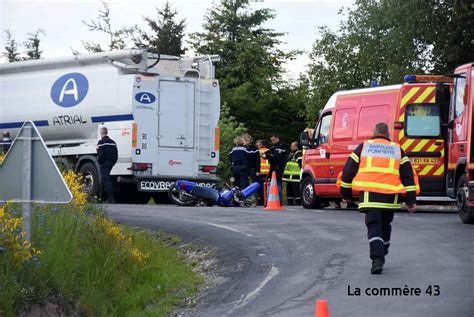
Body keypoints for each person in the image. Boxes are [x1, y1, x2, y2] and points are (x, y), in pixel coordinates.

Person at [339, 122, 418, 274]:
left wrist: (346, 195)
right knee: (385, 225)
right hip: (390, 198)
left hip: (371, 196)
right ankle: (382, 250)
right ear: (388, 134)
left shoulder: (364, 147)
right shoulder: (397, 150)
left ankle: (377, 259)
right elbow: (408, 177)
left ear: (373, 132)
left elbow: (348, 171)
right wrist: (411, 201)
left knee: (374, 225)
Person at [262, 133, 288, 203]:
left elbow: (276, 158)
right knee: (273, 184)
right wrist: (265, 155)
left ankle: (278, 200)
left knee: (278, 184)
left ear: (277, 138)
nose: (272, 142)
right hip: (273, 167)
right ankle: (273, 200)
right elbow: (267, 153)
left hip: (278, 167)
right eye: (271, 140)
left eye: (273, 140)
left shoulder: (281, 146)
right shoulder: (274, 147)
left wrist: (267, 156)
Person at [96, 127, 118, 203]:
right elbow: (116, 153)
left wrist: (100, 163)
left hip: (104, 163)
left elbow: (100, 154)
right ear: (107, 132)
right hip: (111, 162)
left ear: (101, 133)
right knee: (105, 178)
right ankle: (102, 197)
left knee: (106, 179)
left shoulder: (101, 143)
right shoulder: (113, 142)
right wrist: (113, 162)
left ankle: (110, 198)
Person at [283, 141, 303, 205]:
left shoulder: (299, 153)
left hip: (295, 176)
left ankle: (298, 202)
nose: (290, 147)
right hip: (289, 177)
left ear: (296, 146)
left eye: (292, 146)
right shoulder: (292, 153)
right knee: (289, 190)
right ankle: (290, 201)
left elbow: (300, 163)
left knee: (296, 189)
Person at [256, 139, 270, 204]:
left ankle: (261, 200)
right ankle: (268, 200)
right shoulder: (269, 151)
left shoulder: (258, 151)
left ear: (262, 145)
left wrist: (257, 171)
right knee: (268, 187)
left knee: (260, 187)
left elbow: (257, 162)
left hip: (261, 172)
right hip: (268, 172)